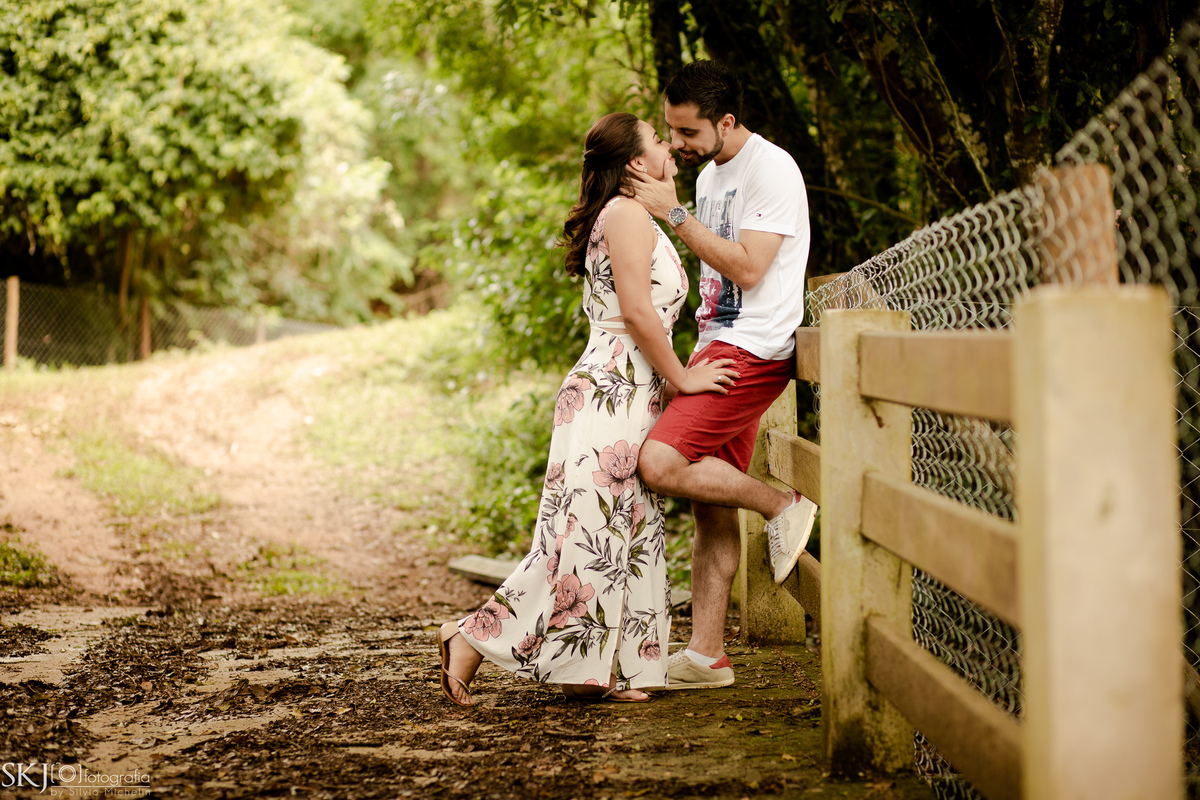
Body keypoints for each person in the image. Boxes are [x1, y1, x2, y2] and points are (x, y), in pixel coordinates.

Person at [436, 112, 739, 706]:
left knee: (623, 531)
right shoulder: (626, 214)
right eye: (658, 142)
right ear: (633, 163)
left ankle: (610, 668)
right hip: (611, 392)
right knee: (589, 532)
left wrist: (667, 385)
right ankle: (470, 638)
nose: (669, 151)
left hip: (630, 391)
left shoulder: (636, 214)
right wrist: (683, 378)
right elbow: (637, 311)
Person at [627, 60, 817, 690]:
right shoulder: (711, 175)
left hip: (755, 348)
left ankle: (783, 505)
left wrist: (675, 215)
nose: (676, 144)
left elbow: (750, 269)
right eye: (670, 131)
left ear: (726, 121)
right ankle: (708, 656)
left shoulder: (772, 169)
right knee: (711, 502)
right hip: (718, 342)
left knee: (660, 463)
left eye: (686, 132)